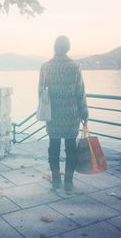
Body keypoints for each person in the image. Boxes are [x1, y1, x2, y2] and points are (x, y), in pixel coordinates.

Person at [38, 36, 88, 191]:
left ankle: (55, 180)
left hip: (53, 113)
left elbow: (41, 92)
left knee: (53, 146)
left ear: (54, 47)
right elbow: (80, 92)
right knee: (70, 147)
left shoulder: (46, 66)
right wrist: (84, 112)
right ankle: (68, 182)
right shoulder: (75, 66)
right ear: (68, 48)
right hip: (71, 113)